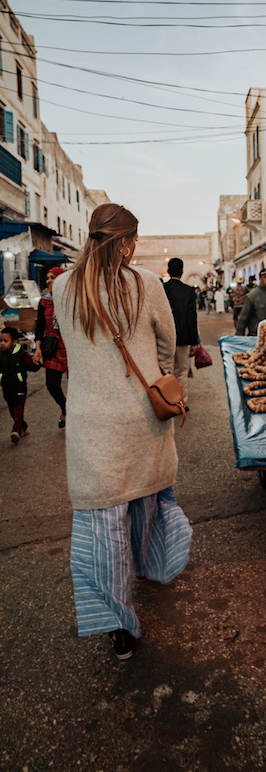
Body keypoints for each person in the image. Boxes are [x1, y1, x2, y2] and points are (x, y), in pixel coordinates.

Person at [53, 203, 192, 661]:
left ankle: (118, 624)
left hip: (91, 423)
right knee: (145, 505)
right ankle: (151, 567)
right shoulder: (146, 285)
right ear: (129, 241)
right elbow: (169, 344)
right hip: (141, 418)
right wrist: (163, 377)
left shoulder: (61, 287)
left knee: (102, 525)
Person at [33, 266, 68, 428]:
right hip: (52, 346)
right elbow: (39, 327)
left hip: (71, 346)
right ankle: (65, 407)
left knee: (76, 385)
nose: (49, 281)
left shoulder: (72, 299)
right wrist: (38, 347)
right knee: (52, 384)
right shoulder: (44, 301)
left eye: (53, 277)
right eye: (47, 278)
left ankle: (73, 414)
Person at [163, 257, 199, 404]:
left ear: (168, 271)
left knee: (165, 370)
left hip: (164, 339)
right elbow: (192, 318)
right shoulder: (188, 291)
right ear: (182, 272)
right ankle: (181, 402)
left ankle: (166, 401)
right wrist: (194, 341)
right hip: (183, 339)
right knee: (182, 371)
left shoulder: (162, 289)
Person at [0, 326, 41, 444]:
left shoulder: (22, 355)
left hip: (19, 387)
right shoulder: (0, 355)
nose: (2, 343)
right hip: (6, 387)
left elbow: (32, 367)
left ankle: (16, 431)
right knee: (12, 410)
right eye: (0, 341)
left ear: (14, 342)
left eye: (5, 341)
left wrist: (36, 363)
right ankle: (23, 426)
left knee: (18, 410)